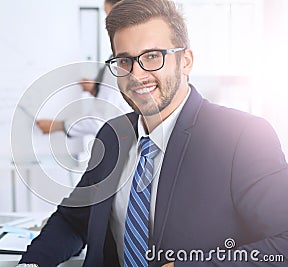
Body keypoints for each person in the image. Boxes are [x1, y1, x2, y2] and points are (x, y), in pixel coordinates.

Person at [18, 0, 288, 266]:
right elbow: (73, 221)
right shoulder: (112, 136)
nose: (137, 74)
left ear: (186, 61)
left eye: (152, 57)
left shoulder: (243, 137)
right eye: (125, 60)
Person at [36, 0, 132, 137]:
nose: (107, 24)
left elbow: (101, 120)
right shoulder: (124, 58)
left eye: (108, 15)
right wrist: (96, 89)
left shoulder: (120, 63)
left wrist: (59, 125)